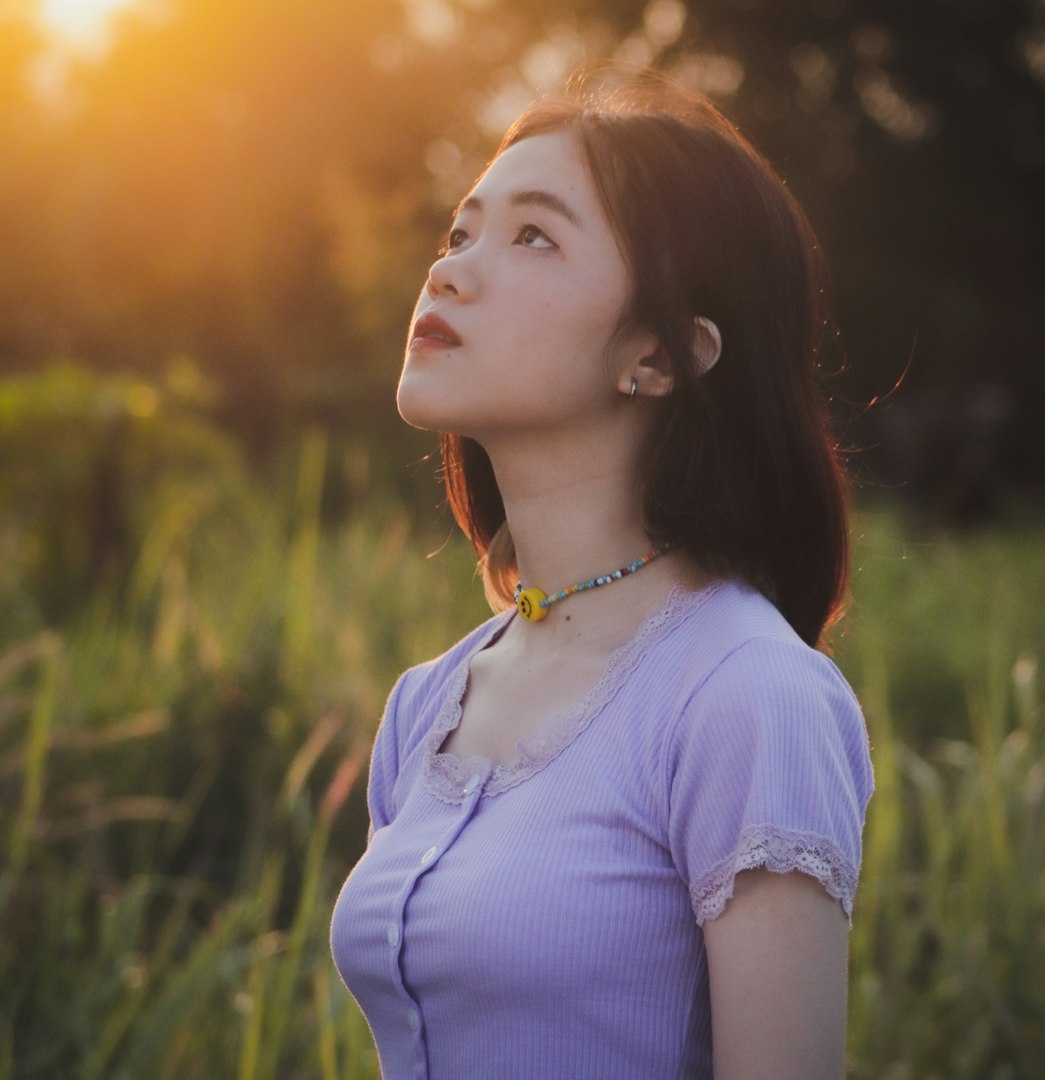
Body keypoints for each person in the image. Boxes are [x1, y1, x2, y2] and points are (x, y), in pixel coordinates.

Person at [331, 64, 874, 1080]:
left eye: (534, 236)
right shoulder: (427, 707)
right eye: (460, 233)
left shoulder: (747, 694)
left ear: (658, 357)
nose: (450, 271)